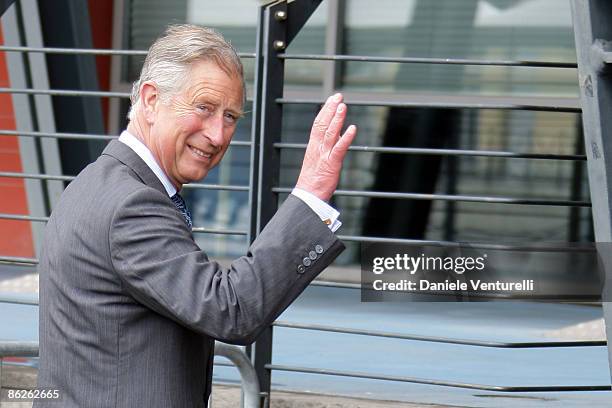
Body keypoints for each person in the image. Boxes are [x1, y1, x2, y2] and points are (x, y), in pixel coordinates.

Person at [34, 24, 356, 408]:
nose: (218, 135)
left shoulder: (98, 181)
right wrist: (312, 196)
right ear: (151, 100)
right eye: (204, 108)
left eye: (231, 116)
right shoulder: (132, 204)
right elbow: (231, 309)